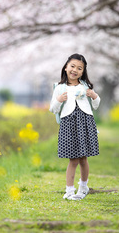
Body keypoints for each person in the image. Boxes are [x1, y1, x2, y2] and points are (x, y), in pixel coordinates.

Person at [49, 53, 100, 200]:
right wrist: (59, 100)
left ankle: (83, 187)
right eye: (72, 66)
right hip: (68, 124)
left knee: (83, 158)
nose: (75, 70)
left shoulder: (85, 86)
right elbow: (53, 109)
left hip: (85, 122)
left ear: (83, 72)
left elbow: (96, 105)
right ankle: (69, 191)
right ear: (65, 67)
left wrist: (94, 96)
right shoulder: (59, 88)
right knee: (73, 159)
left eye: (79, 68)